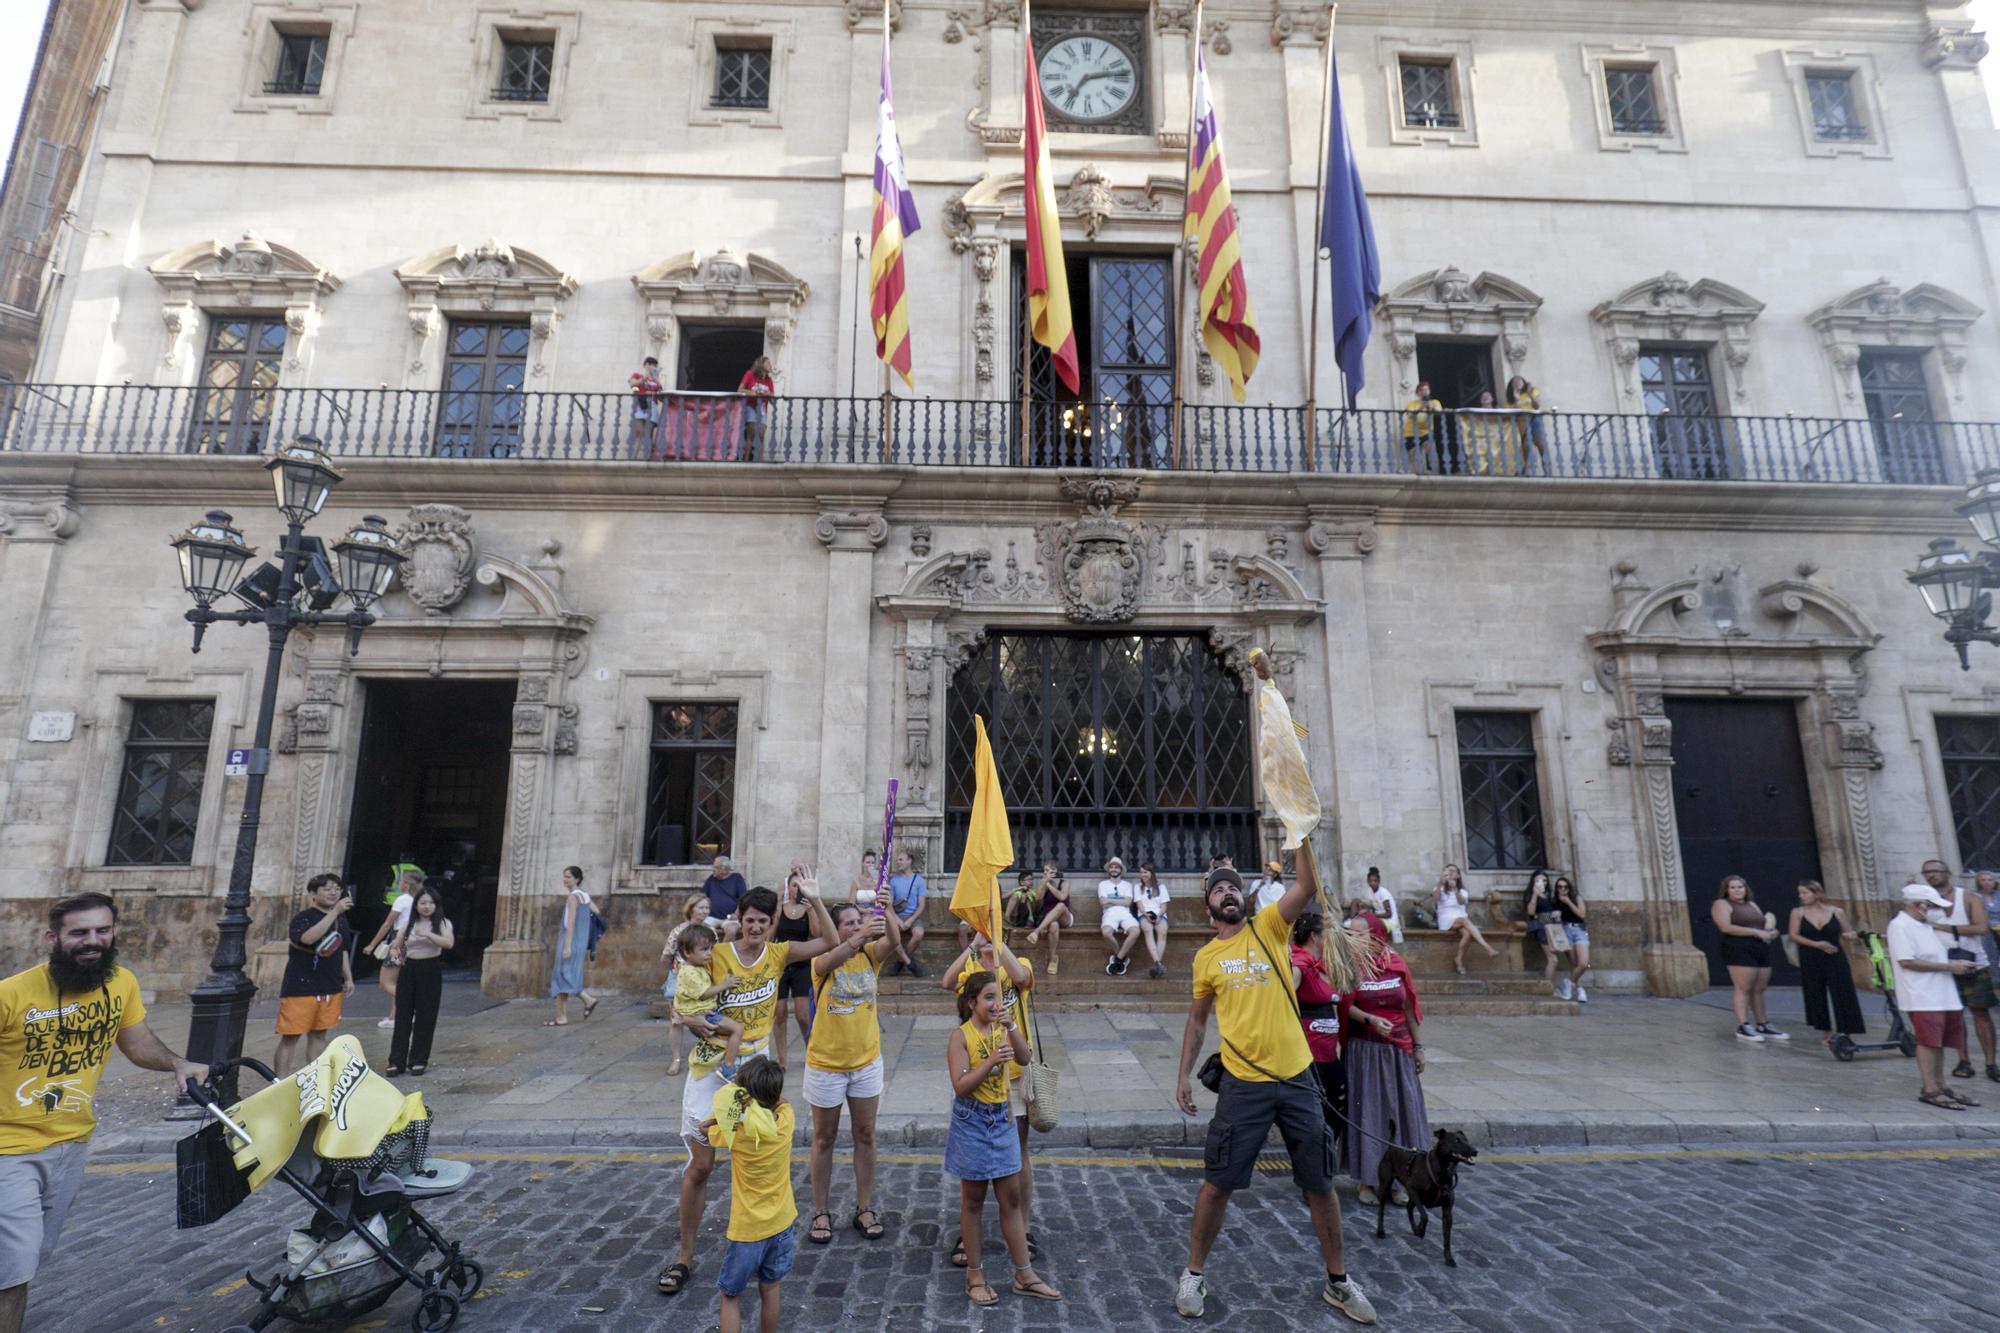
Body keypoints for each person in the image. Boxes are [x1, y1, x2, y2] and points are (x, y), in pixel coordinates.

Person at [1173, 859, 1376, 1324]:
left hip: (1298, 1078)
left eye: (1233, 887)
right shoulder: (1206, 958)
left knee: (1320, 1184)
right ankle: (1193, 1272)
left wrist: (1299, 828)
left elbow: (1306, 884)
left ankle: (1339, 1281)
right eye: (1218, 888)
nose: (1227, 892)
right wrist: (1183, 1075)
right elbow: (1198, 1019)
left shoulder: (1269, 926)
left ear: (1244, 900)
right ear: (1208, 904)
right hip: (1243, 1084)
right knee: (1218, 1182)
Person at [0, 894, 207, 1333]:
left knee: (28, 1261)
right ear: (52, 938)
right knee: (12, 1271)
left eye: (102, 930)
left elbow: (136, 1042)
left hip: (71, 1147)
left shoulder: (121, 984)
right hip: (7, 1151)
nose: (92, 941)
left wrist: (176, 1063)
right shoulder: (11, 995)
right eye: (79, 933)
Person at [661, 874, 838, 1298]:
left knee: (757, 1161)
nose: (755, 928)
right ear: (738, 919)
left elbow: (828, 943)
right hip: (712, 1068)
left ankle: (754, 1244)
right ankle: (684, 1255)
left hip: (756, 1072)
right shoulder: (716, 954)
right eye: (749, 920)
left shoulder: (779, 954)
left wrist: (813, 900)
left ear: (773, 921)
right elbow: (681, 999)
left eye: (763, 921)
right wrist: (692, 1022)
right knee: (702, 1166)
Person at [947, 970, 1059, 1307]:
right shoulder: (960, 1036)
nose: (997, 1004)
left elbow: (1025, 1059)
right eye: (989, 998)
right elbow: (961, 1086)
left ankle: (1024, 1274)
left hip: (1003, 1119)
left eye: (1001, 997)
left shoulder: (1002, 1030)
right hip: (973, 1122)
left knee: (1010, 1201)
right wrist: (992, 1062)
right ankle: (975, 1275)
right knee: (974, 1201)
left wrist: (1012, 1027)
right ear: (972, 1003)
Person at [803, 903, 902, 1246]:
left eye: (858, 921)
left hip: (866, 1062)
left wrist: (886, 910)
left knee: (866, 1134)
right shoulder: (821, 960)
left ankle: (864, 1207)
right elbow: (832, 960)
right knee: (823, 1138)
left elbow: (894, 938)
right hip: (826, 1065)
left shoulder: (871, 956)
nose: (854, 926)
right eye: (847, 923)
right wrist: (860, 936)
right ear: (835, 928)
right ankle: (820, 1210)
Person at [942, 935, 1040, 1264]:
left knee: (1017, 1152)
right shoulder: (971, 968)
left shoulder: (1017, 964)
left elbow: (1023, 979)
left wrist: (998, 944)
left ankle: (1022, 1228)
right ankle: (970, 1235)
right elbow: (946, 982)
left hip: (1013, 1073)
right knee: (974, 1167)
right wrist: (973, 945)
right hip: (981, 1074)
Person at [700, 1057, 795, 1333]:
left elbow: (706, 1132)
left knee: (730, 1295)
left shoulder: (738, 1134)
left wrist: (731, 1110)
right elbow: (782, 1102)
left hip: (747, 1232)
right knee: (771, 1287)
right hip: (782, 1223)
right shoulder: (786, 1121)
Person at [1344, 914, 1428, 1208]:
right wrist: (1369, 1019)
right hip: (1365, 1051)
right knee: (1370, 1114)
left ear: (1377, 936)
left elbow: (1409, 1008)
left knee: (1400, 1116)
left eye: (1358, 934)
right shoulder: (1351, 966)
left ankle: (1400, 1180)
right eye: (1350, 934)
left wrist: (1418, 1047)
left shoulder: (1397, 964)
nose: (1352, 939)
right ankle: (1368, 1180)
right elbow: (1345, 1004)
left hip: (1397, 1051)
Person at [1887, 882, 1982, 1109]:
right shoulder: (1900, 926)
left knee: (1940, 1042)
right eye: (1932, 906)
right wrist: (1950, 967)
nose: (1936, 912)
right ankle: (1930, 1088)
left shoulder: (1925, 925)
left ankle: (1941, 1085)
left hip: (1943, 993)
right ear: (1918, 905)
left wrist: (1954, 964)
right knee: (1928, 1042)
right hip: (1922, 995)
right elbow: (1907, 961)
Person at [1921, 858, 1998, 1081]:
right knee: (1954, 1014)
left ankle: (1991, 1063)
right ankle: (1963, 1060)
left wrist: (1943, 927)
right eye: (1927, 872)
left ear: (1947, 872)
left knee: (1981, 1012)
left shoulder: (1968, 898)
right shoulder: (1925, 901)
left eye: (1936, 871)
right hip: (1942, 965)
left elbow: (1982, 927)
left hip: (1973, 963)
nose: (1932, 875)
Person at [276, 873, 356, 1076]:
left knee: (319, 1035)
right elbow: (308, 938)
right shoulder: (303, 917)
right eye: (327, 889)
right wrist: (334, 912)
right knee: (290, 1036)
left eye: (337, 889)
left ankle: (315, 1077)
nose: (333, 893)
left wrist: (347, 977)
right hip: (301, 987)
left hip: (330, 986)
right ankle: (281, 1081)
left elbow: (343, 949)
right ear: (313, 893)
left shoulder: (342, 919)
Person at [1290, 911, 1347, 1148]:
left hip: (1328, 1054)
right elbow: (1283, 1005)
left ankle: (1323, 1158)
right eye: (1327, 934)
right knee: (1316, 1112)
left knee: (1338, 1107)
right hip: (1309, 1057)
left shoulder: (1325, 966)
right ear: (1314, 936)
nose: (1330, 939)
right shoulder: (1298, 966)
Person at [384, 885, 453, 1077]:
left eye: (431, 903)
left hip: (430, 968)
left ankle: (418, 1060)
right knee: (403, 1015)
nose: (427, 906)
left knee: (426, 1016)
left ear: (436, 905)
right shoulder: (409, 924)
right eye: (423, 903)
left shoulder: (443, 923)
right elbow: (396, 945)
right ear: (416, 905)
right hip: (409, 968)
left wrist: (429, 935)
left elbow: (448, 943)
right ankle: (396, 1061)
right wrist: (395, 954)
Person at [1787, 879, 1864, 1050]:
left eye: (1805, 893)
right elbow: (1794, 935)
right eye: (1800, 893)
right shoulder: (1798, 912)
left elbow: (1847, 932)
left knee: (1842, 991)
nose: (1802, 896)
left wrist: (1857, 935)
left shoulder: (1837, 912)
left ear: (1817, 893)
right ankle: (1825, 1030)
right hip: (1810, 955)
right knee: (1815, 992)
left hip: (1834, 955)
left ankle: (1845, 1030)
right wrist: (1816, 944)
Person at [1711, 874, 1786, 1042]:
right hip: (1738, 948)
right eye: (1733, 887)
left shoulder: (1752, 904)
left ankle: (1762, 1024)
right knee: (1743, 987)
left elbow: (1763, 925)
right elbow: (1726, 927)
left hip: (1759, 947)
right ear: (1726, 890)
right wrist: (1755, 932)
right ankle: (1743, 1025)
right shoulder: (1721, 904)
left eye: (1741, 887)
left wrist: (1771, 933)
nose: (1738, 890)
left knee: (1759, 988)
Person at [675, 925, 746, 1076]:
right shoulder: (689, 972)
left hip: (702, 1013)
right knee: (738, 1029)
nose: (709, 953)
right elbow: (704, 993)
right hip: (704, 1015)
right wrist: (726, 984)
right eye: (704, 949)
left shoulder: (696, 967)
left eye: (711, 949)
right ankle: (728, 1066)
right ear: (687, 952)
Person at [661, 894, 717, 1075]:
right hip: (681, 980)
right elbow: (666, 955)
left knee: (707, 1016)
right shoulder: (679, 931)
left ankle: (708, 1053)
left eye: (707, 908)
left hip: (704, 980)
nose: (704, 911)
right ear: (691, 908)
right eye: (700, 907)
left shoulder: (711, 931)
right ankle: (676, 1059)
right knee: (677, 1021)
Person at [362, 866, 419, 1031]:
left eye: (401, 881)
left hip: (398, 943)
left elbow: (387, 923)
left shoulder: (403, 900)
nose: (399, 884)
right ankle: (394, 1017)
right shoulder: (420, 900)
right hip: (413, 943)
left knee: (386, 982)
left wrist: (372, 944)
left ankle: (409, 1007)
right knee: (398, 982)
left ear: (407, 884)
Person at [771, 869, 815, 1067]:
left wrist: (813, 909)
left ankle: (812, 1052)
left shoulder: (808, 909)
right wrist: (776, 914)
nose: (797, 889)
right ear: (789, 887)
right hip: (781, 964)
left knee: (803, 1015)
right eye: (794, 885)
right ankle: (782, 1059)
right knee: (779, 1013)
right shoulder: (781, 908)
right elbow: (770, 936)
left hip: (802, 964)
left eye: (801, 885)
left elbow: (817, 934)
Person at [547, 865, 599, 1026]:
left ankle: (583, 1003)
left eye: (568, 877)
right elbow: (596, 911)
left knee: (562, 976)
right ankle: (564, 1013)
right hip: (580, 941)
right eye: (564, 876)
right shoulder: (584, 896)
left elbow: (570, 923)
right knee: (568, 975)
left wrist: (567, 946)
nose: (565, 879)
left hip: (570, 940)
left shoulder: (572, 897)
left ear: (577, 879)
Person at [1436, 863, 1498, 977]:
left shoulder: (1463, 891)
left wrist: (1455, 889)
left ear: (1458, 876)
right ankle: (1487, 947)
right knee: (1465, 921)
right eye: (1448, 871)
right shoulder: (1440, 888)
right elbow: (1435, 898)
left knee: (1467, 933)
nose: (1450, 873)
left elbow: (1461, 902)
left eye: (1453, 871)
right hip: (1446, 917)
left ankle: (1458, 960)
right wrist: (1440, 882)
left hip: (1460, 916)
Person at [1023, 862, 1074, 977]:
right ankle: (1053, 959)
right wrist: (1043, 884)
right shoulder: (1044, 883)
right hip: (1050, 918)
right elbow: (1037, 898)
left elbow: (1062, 897)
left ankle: (1036, 931)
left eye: (1050, 870)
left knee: (1060, 906)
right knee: (1054, 925)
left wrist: (1050, 886)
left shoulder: (1064, 883)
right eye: (1045, 870)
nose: (1047, 873)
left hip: (1065, 917)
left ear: (1056, 871)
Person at [886, 847, 928, 976]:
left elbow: (921, 905)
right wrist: (897, 920)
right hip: (896, 915)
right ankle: (909, 963)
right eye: (898, 860)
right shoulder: (893, 881)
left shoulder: (919, 881)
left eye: (901, 860)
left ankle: (900, 961)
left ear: (909, 861)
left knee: (919, 934)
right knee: (891, 935)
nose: (898, 862)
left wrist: (910, 921)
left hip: (912, 917)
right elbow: (889, 904)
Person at [1550, 875, 1592, 1003]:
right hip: (1565, 931)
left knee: (1584, 963)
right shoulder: (1555, 901)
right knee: (1574, 964)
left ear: (1569, 888)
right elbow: (1554, 921)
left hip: (1579, 930)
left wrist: (1568, 901)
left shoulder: (1576, 898)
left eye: (1565, 887)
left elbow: (1582, 914)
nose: (1562, 889)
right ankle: (1579, 990)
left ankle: (1568, 983)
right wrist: (1555, 916)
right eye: (1559, 887)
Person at [1098, 857, 1140, 976]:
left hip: (1125, 914)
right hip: (1109, 914)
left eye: (1116, 867)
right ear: (1108, 870)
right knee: (1106, 932)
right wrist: (1120, 900)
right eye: (1111, 867)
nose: (1114, 869)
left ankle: (1118, 960)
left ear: (1121, 870)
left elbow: (1128, 903)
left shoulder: (1127, 885)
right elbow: (1102, 902)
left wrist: (1110, 900)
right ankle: (1122, 958)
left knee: (1135, 931)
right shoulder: (1103, 884)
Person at [1506, 374, 1547, 475]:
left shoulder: (1533, 391)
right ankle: (1526, 472)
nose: (1517, 382)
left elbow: (1537, 406)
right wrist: (1516, 399)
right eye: (1514, 382)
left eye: (1519, 380)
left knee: (1541, 444)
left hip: (1534, 419)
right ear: (1511, 386)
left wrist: (1529, 394)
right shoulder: (1510, 401)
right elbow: (1513, 413)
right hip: (1522, 423)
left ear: (1524, 382)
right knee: (1526, 448)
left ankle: (1547, 472)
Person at [1135, 863, 1171, 978]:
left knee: (1163, 931)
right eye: (1141, 872)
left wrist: (1159, 916)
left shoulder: (1161, 887)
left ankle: (1157, 965)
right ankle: (1158, 963)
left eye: (1145, 872)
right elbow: (1139, 905)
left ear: (1152, 873)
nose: (1143, 875)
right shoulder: (1137, 887)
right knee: (1147, 929)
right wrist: (1146, 915)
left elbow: (1164, 906)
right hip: (1144, 914)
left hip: (1159, 914)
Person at [738, 355, 776, 461]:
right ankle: (746, 460)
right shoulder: (750, 375)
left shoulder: (769, 381)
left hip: (762, 408)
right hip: (751, 406)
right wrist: (753, 393)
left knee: (762, 434)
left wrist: (769, 394)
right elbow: (740, 390)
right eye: (768, 363)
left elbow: (773, 401)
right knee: (751, 433)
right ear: (761, 364)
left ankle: (761, 461)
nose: (770, 365)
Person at [1402, 381, 1443, 475]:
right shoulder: (1412, 404)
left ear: (1429, 391)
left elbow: (1439, 412)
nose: (1424, 391)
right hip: (1411, 432)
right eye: (1422, 390)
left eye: (1426, 389)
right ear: (1418, 392)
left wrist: (1431, 408)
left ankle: (1435, 472)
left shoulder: (1435, 402)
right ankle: (1419, 473)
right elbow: (1410, 414)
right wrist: (1421, 407)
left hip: (1426, 431)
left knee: (1431, 449)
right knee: (1415, 454)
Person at [630, 355, 665, 455]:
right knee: (640, 431)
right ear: (645, 365)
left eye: (654, 365)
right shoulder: (637, 375)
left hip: (652, 406)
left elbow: (661, 393)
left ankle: (648, 455)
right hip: (639, 406)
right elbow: (633, 385)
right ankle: (636, 456)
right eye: (650, 364)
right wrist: (645, 377)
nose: (652, 367)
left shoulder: (655, 379)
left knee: (649, 432)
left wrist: (655, 379)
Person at [702, 856, 748, 923]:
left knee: (731, 929)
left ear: (724, 869)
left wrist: (736, 914)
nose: (713, 869)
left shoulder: (737, 878)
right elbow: (702, 897)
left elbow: (743, 899)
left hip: (730, 917)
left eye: (716, 867)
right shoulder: (711, 879)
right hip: (712, 916)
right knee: (703, 926)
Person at [1362, 867, 1401, 944]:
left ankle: (1379, 945)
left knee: (1371, 924)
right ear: (1367, 881)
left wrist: (1373, 916)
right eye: (1370, 881)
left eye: (1375, 881)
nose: (1373, 883)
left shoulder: (1383, 893)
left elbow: (1388, 914)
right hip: (1379, 919)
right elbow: (1373, 906)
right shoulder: (1370, 892)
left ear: (1379, 881)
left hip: (1390, 921)